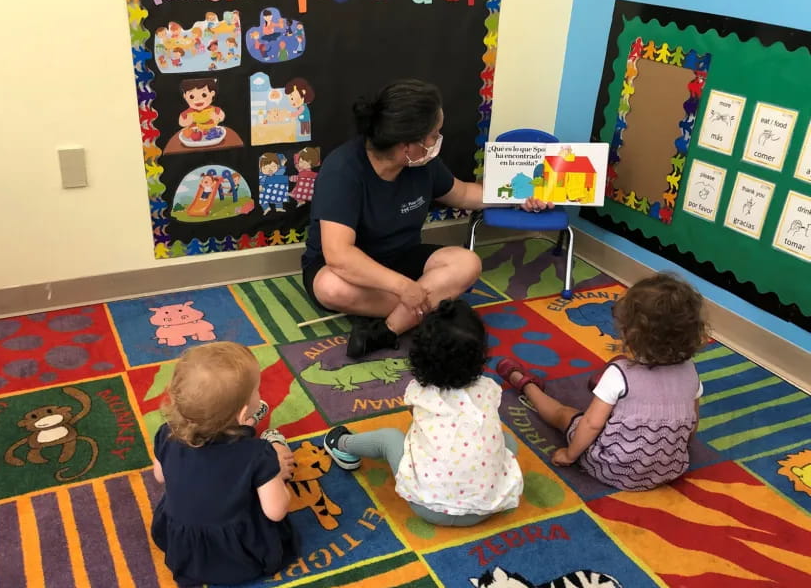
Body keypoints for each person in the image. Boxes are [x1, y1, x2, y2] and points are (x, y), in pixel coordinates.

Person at [301, 78, 553, 359]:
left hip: (403, 255)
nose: (437, 141)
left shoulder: (424, 163)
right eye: (433, 135)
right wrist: (404, 287)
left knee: (468, 262)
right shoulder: (343, 170)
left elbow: (465, 194)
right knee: (330, 288)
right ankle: (434, 309)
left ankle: (389, 329)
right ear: (407, 145)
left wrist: (520, 196)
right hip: (348, 268)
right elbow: (339, 255)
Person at [496, 273, 706, 491]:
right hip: (669, 469)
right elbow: (692, 421)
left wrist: (569, 455)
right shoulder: (690, 371)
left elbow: (591, 424)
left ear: (631, 334)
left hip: (612, 469)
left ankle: (526, 385)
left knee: (565, 414)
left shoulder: (620, 373)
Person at [323, 299, 523, 526]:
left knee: (390, 438)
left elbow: (416, 420)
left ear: (419, 355)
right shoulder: (488, 389)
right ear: (481, 353)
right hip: (487, 506)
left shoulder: (419, 392)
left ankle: (341, 444)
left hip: (428, 507)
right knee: (506, 441)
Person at [150, 342, 298, 586]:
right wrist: (276, 470)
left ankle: (240, 434)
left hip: (183, 545)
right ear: (242, 414)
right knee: (274, 459)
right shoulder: (257, 453)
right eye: (257, 391)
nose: (260, 394)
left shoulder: (166, 433)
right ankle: (272, 443)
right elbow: (276, 511)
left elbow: (160, 476)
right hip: (238, 552)